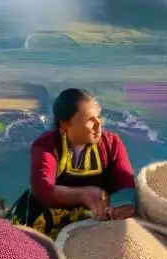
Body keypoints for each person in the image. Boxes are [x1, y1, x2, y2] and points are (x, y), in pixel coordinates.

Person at [9, 89, 137, 238]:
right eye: (90, 119)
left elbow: (125, 181)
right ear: (65, 125)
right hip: (45, 220)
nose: (98, 124)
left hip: (93, 220)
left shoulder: (111, 145)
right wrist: (83, 194)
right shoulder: (46, 146)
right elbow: (43, 188)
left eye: (99, 117)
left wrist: (123, 205)